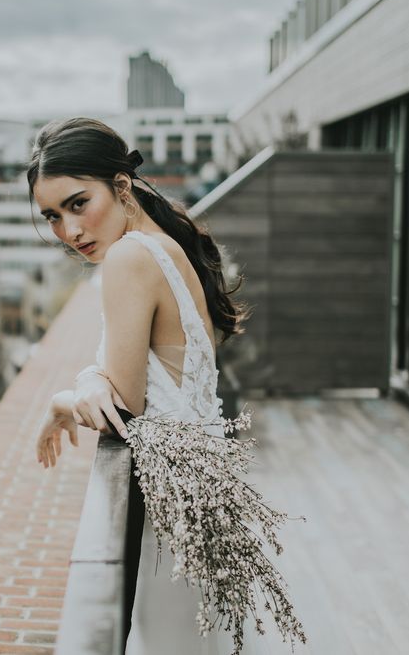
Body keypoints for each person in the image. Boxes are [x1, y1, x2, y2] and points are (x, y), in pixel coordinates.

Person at [29, 117, 248, 654]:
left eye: (78, 204)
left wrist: (64, 400)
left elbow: (122, 407)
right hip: (200, 495)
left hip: (170, 514)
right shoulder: (165, 245)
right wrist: (90, 377)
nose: (69, 231)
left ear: (120, 186)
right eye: (53, 216)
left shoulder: (129, 257)